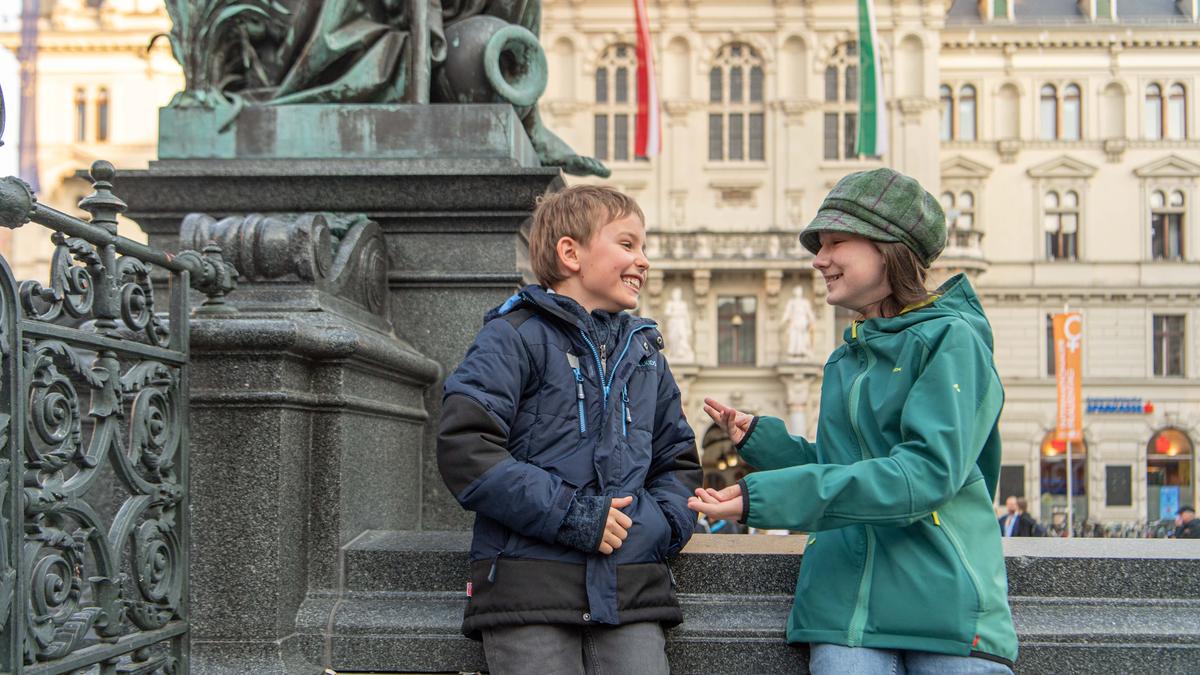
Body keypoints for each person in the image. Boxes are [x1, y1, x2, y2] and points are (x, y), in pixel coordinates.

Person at [688, 168, 1019, 673]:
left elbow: (924, 474)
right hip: (844, 608)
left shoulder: (952, 340)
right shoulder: (847, 357)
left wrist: (770, 498)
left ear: (890, 248)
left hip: (943, 605)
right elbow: (847, 468)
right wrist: (767, 444)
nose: (819, 259)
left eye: (836, 241)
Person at [437, 185, 701, 674]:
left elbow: (678, 462)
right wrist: (572, 515)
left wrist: (656, 529)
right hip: (528, 590)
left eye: (644, 247)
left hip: (630, 590)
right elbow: (466, 448)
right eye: (627, 244)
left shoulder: (646, 356)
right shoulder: (513, 335)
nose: (643, 260)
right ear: (569, 252)